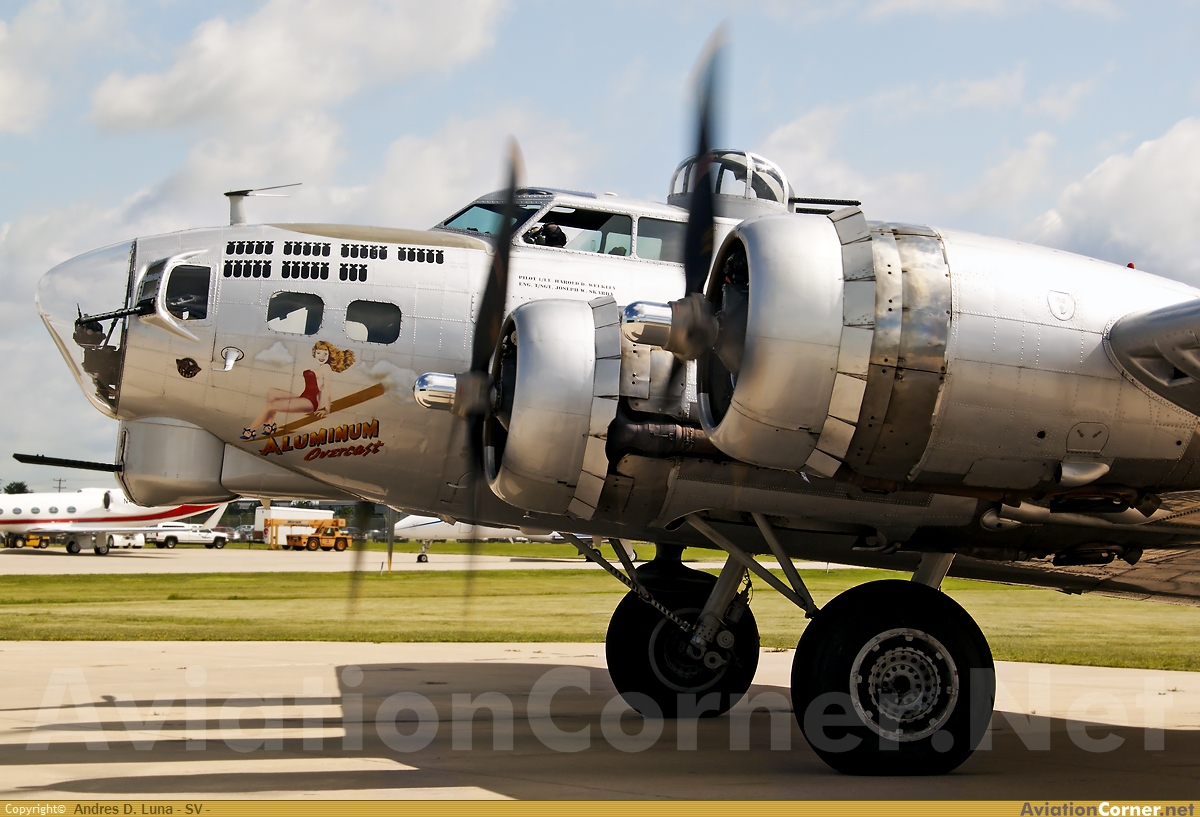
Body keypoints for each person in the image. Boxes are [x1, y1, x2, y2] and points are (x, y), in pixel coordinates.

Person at [243, 341, 355, 439]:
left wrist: (326, 409)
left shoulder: (326, 369)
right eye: (319, 352)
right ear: (314, 353)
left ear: (329, 355)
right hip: (304, 397)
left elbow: (327, 391)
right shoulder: (318, 368)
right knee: (272, 392)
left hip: (310, 402)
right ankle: (269, 425)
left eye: (325, 353)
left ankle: (250, 430)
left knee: (271, 405)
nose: (322, 356)